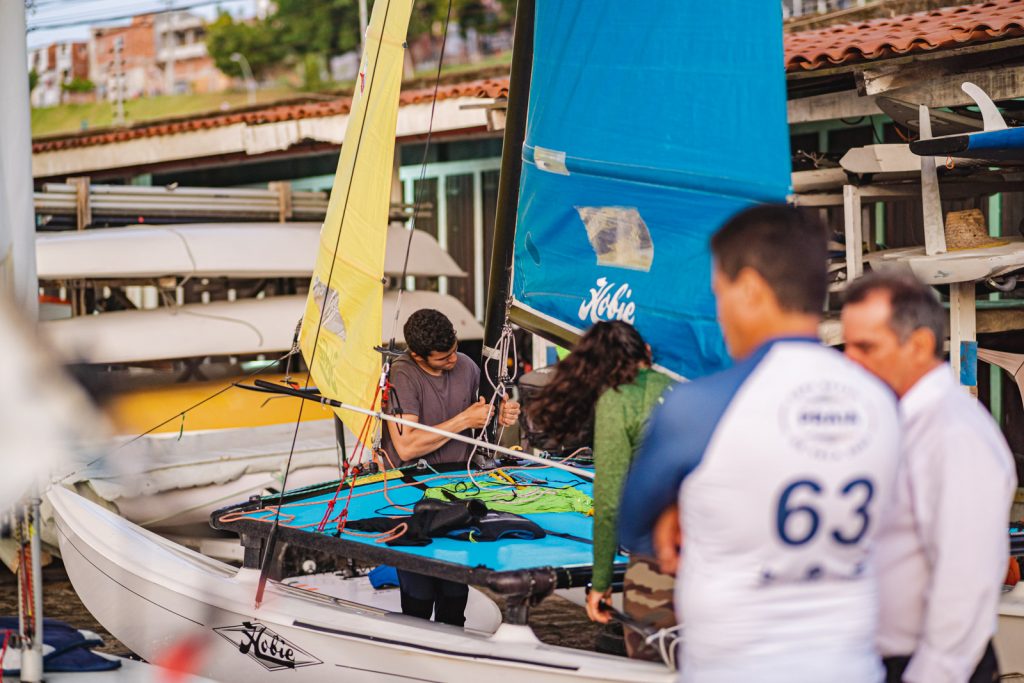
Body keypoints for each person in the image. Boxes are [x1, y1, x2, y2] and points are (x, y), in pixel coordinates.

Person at [618, 204, 901, 682]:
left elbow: (633, 529)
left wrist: (678, 510)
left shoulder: (698, 407)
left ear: (749, 289)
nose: (720, 313)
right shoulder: (881, 402)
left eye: (719, 294)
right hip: (852, 668)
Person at [842, 272, 1017, 683]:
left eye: (866, 346)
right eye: (846, 346)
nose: (849, 361)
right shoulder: (898, 420)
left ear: (918, 345)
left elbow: (965, 580)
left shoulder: (953, 432)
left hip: (929, 665)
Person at [525, 320, 675, 659]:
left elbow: (607, 506)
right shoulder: (678, 386)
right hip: (717, 552)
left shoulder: (617, 400)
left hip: (658, 557)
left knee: (654, 663)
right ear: (646, 353)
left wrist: (602, 583)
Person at [381, 308, 520, 626]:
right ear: (417, 355)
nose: (452, 360)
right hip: (414, 498)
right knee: (418, 603)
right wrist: (463, 420)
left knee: (454, 601)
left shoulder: (468, 366)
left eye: (455, 350)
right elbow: (406, 445)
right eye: (443, 358)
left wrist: (500, 415)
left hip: (459, 491)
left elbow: (481, 422)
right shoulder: (402, 374)